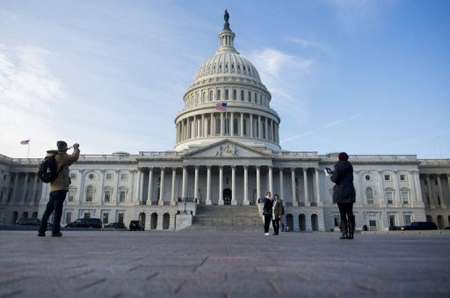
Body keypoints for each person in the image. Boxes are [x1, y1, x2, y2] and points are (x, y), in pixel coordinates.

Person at [38, 141, 80, 237]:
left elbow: (68, 162)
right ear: (64, 147)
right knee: (58, 210)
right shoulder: (61, 156)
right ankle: (55, 231)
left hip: (53, 188)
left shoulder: (53, 157)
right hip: (60, 187)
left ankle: (41, 230)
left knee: (48, 211)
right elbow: (74, 158)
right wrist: (76, 148)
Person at [330, 152, 356, 239]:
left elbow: (335, 179)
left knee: (342, 213)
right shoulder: (350, 166)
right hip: (349, 191)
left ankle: (344, 233)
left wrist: (331, 175)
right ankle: (351, 233)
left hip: (340, 192)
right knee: (350, 213)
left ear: (339, 158)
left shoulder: (338, 166)